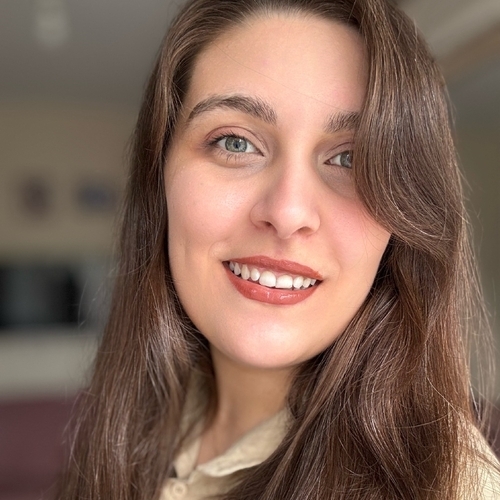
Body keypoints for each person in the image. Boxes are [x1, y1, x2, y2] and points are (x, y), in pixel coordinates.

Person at [57, 0, 500, 498]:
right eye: (235, 142)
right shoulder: (139, 421)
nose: (287, 212)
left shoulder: (450, 485)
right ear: (160, 174)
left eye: (352, 158)